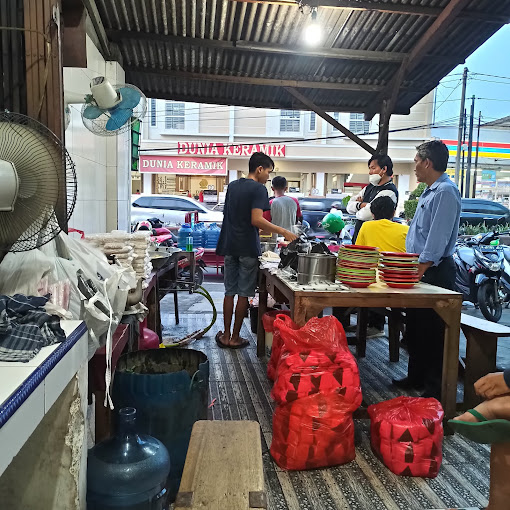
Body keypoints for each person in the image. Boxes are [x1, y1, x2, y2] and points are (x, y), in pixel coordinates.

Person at [393, 140, 461, 399]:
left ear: (427, 162)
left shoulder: (445, 192)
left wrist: (418, 272)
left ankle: (434, 388)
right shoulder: (430, 190)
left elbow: (437, 239)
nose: (414, 167)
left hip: (435, 270)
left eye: (416, 162)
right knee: (417, 326)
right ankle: (415, 376)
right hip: (420, 267)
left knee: (434, 331)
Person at [216, 152, 298, 349]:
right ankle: (235, 338)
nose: (268, 177)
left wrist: (256, 227)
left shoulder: (234, 185)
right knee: (243, 294)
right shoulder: (259, 189)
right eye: (268, 171)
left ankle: (225, 335)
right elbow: (256, 219)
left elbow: (236, 216)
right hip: (247, 248)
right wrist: (283, 231)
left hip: (229, 244)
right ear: (259, 169)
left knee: (229, 292)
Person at [346, 154, 398, 243]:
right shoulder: (370, 187)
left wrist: (360, 209)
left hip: (374, 239)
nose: (370, 172)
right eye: (369, 169)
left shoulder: (389, 191)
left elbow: (366, 214)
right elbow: (349, 206)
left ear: (384, 169)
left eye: (373, 168)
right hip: (359, 237)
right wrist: (362, 205)